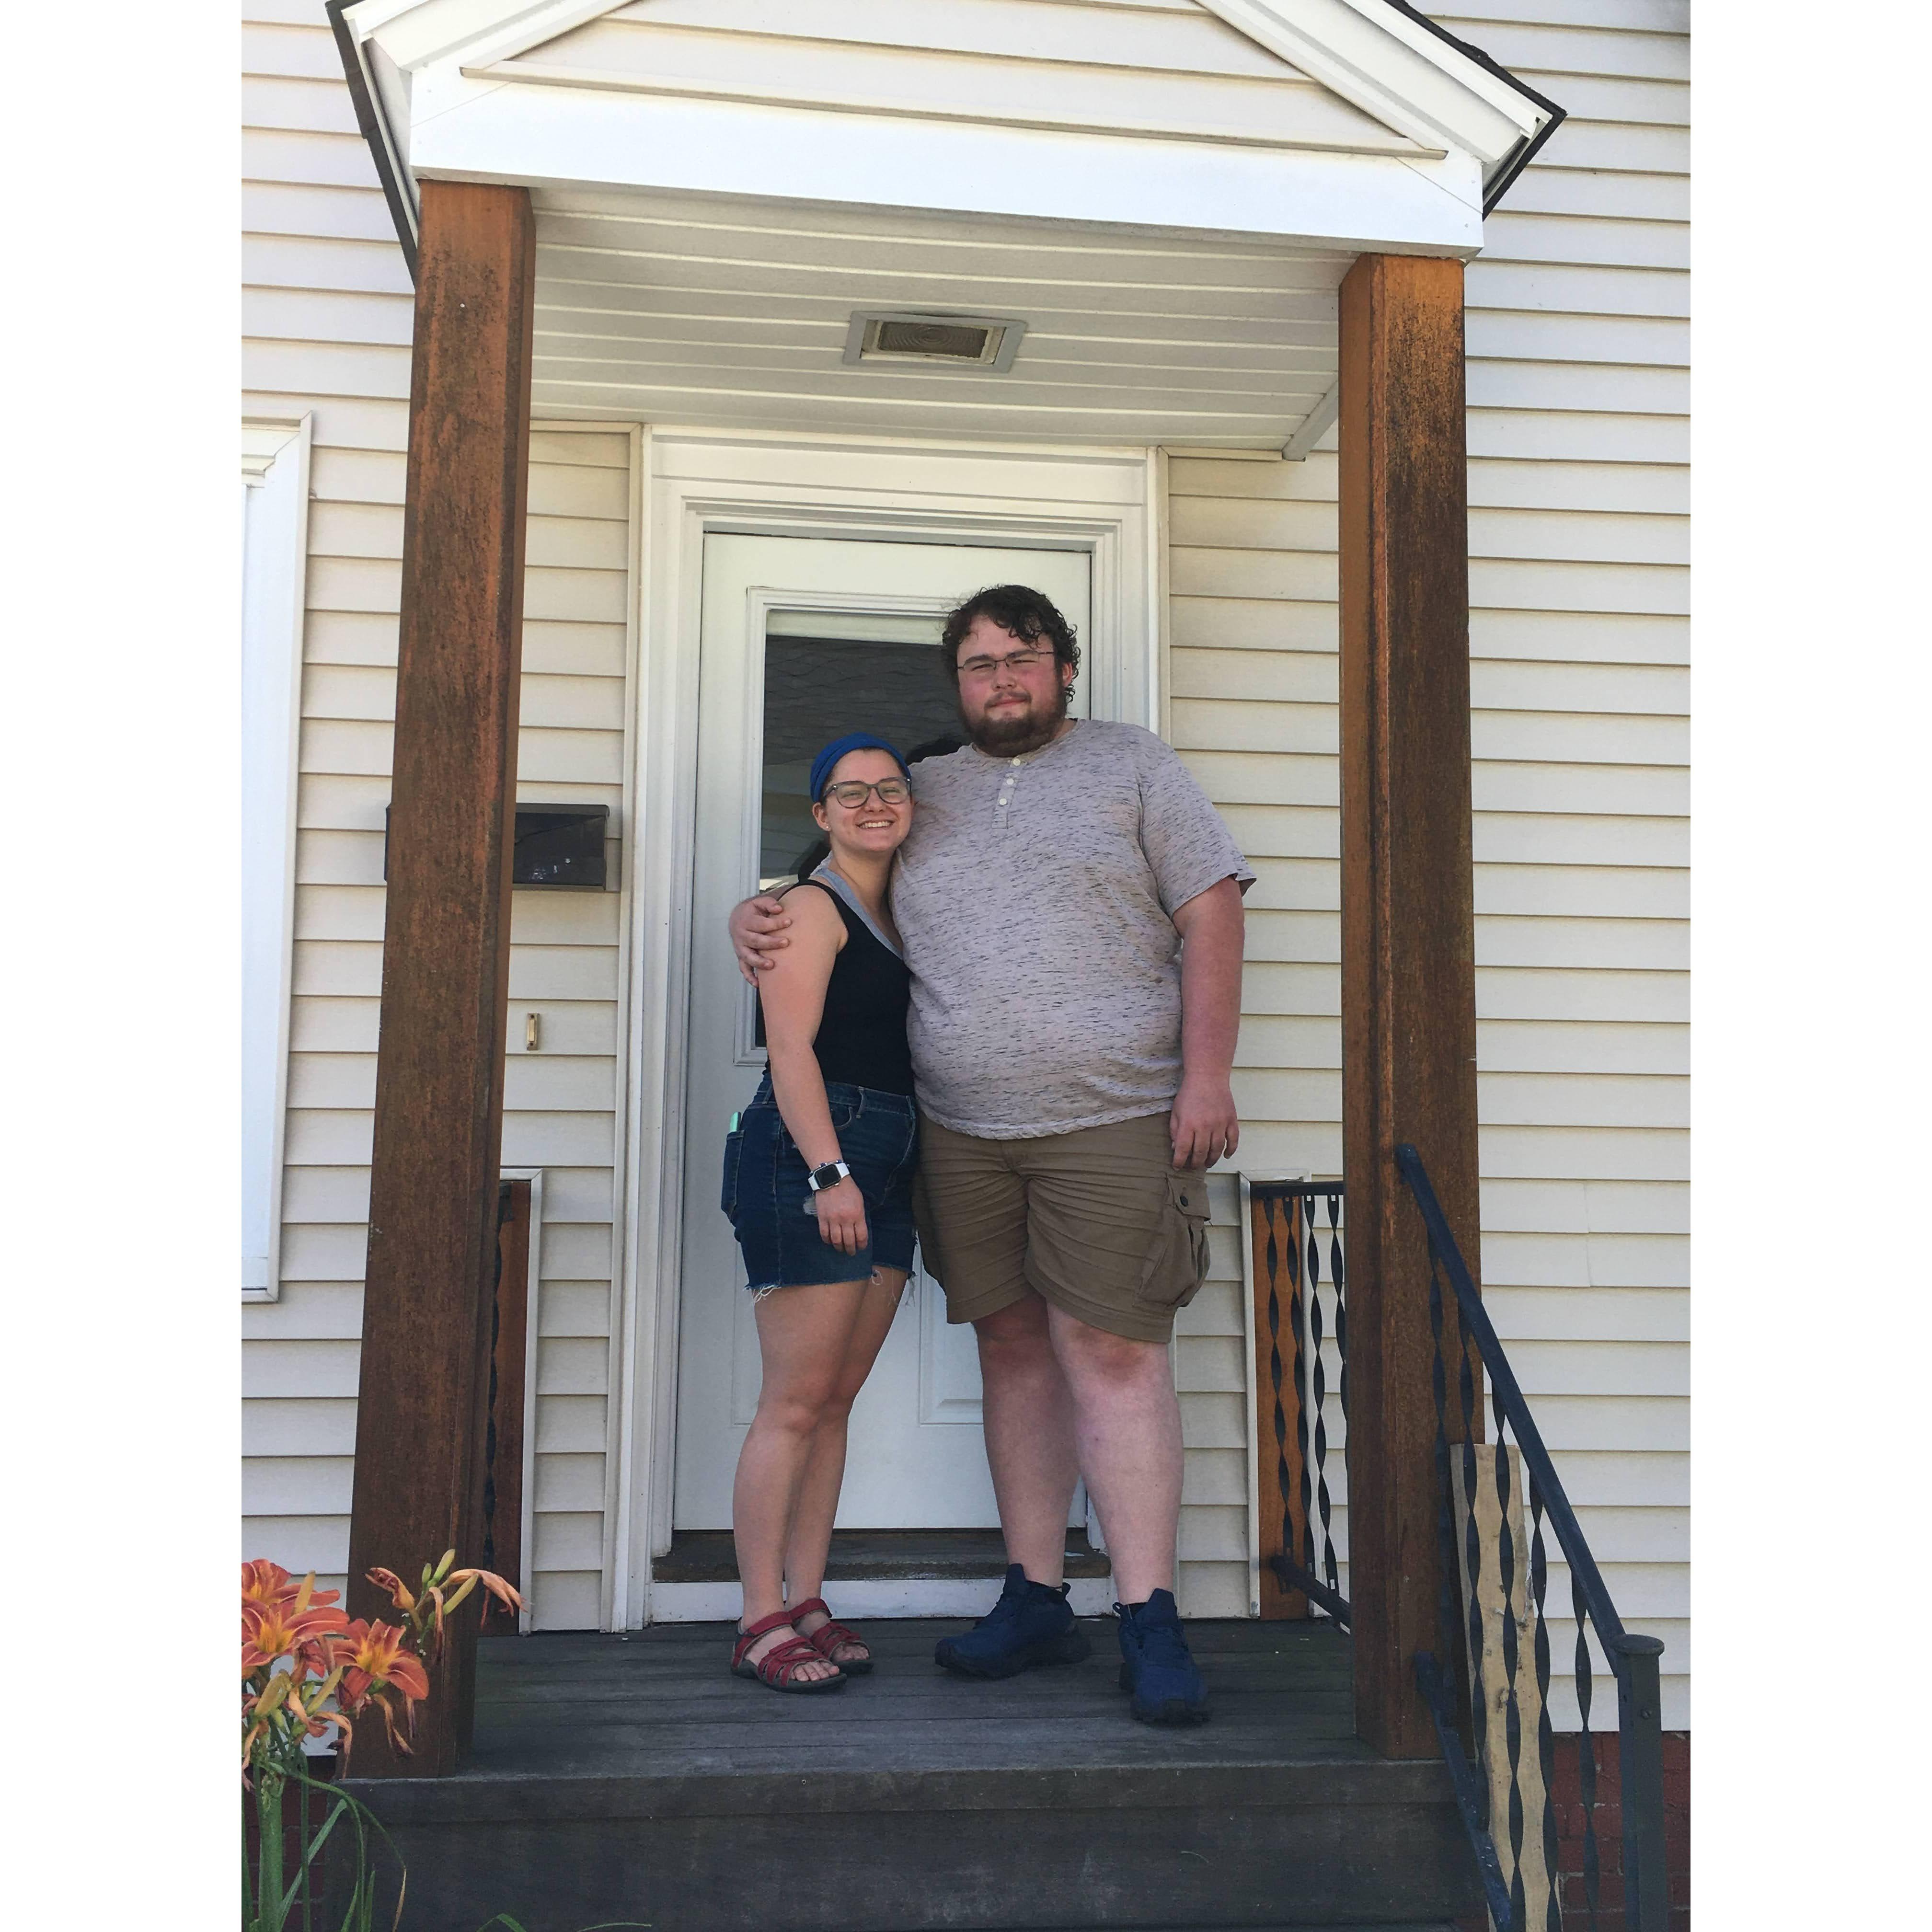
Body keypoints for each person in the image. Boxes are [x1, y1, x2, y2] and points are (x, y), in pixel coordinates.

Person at [732, 586, 1251, 1725]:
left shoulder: (1135, 766)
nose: (1002, 679)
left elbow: (1214, 911)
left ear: (1064, 667)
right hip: (960, 1129)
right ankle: (1034, 1596)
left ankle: (1150, 1616)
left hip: (1115, 1115)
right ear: (955, 682)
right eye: (978, 664)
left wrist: (1207, 1076)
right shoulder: (925, 790)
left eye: (1022, 659)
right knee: (1013, 1351)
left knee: (1114, 1355)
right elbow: (832, 889)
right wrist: (755, 916)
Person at [721, 734, 920, 1692]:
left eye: (890, 790)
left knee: (834, 1400)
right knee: (794, 1401)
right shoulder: (810, 905)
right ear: (820, 813)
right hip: (818, 1150)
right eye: (852, 792)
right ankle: (759, 1615)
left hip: (893, 1153)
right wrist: (827, 1171)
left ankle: (809, 1597)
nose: (874, 804)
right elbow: (789, 1047)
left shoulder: (903, 910)